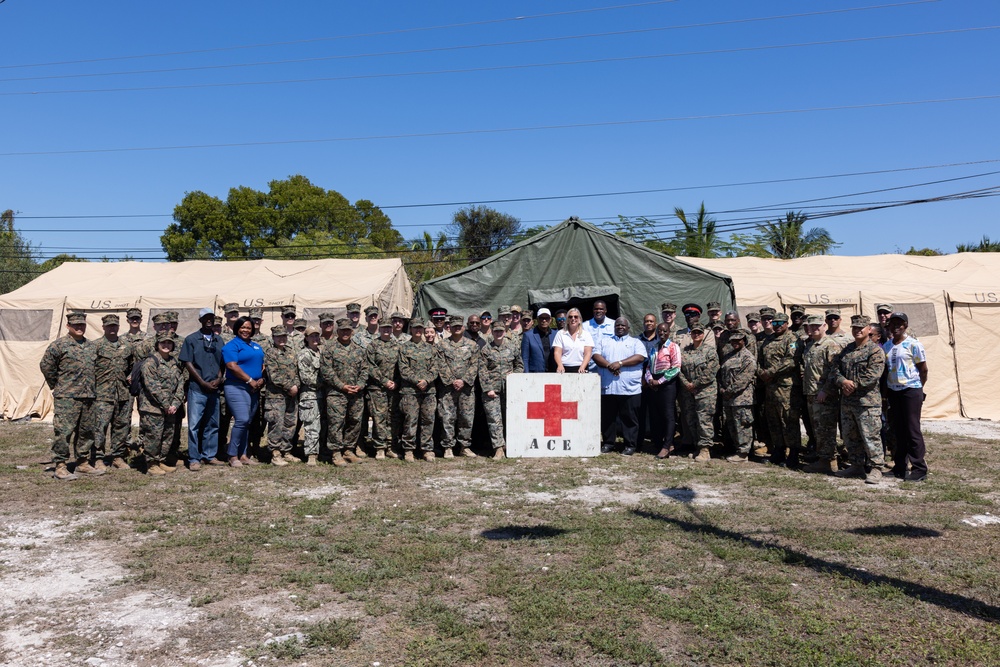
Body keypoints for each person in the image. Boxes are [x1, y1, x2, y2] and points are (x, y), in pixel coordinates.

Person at [822, 315, 886, 484]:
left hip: (867, 402)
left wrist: (853, 385)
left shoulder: (875, 351)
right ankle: (856, 465)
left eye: (861, 328)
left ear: (869, 330)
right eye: (855, 328)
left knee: (870, 436)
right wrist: (843, 381)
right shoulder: (847, 349)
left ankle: (876, 468)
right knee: (850, 436)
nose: (857, 331)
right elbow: (835, 369)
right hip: (848, 402)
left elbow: (873, 375)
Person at [40, 311, 100, 480]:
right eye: (76, 325)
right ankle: (60, 465)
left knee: (86, 432)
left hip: (88, 396)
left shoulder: (91, 346)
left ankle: (82, 463)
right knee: (64, 432)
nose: (79, 327)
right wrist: (57, 384)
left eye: (82, 325)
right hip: (67, 397)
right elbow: (46, 365)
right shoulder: (58, 345)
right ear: (68, 326)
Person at [882, 312, 929, 481]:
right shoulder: (887, 346)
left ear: (905, 326)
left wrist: (918, 388)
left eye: (899, 324)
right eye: (893, 324)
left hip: (911, 390)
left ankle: (919, 468)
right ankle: (900, 466)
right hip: (894, 391)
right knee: (898, 430)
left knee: (912, 429)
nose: (896, 327)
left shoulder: (913, 345)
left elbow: (923, 369)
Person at [593, 317, 647, 456]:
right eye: (617, 325)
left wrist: (620, 363)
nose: (620, 327)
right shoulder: (605, 341)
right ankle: (608, 443)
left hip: (629, 388)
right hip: (608, 387)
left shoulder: (635, 342)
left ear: (628, 328)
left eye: (623, 325)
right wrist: (609, 365)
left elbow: (640, 357)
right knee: (608, 418)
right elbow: (595, 355)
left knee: (629, 418)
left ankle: (630, 445)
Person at [799, 315, 846, 474]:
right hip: (811, 393)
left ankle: (829, 461)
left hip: (825, 395)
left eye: (817, 326)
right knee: (818, 429)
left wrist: (826, 390)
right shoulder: (810, 345)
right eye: (811, 326)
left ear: (824, 326)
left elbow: (835, 371)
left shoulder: (830, 345)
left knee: (826, 429)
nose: (814, 328)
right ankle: (823, 458)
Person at [180, 308, 225, 470]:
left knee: (213, 424)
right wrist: (202, 382)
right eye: (205, 318)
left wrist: (219, 379)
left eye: (211, 318)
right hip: (198, 389)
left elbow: (222, 362)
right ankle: (194, 458)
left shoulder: (218, 341)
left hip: (214, 389)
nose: (209, 320)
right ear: (200, 320)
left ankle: (209, 455)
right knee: (194, 425)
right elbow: (188, 362)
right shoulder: (191, 339)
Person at [320, 318, 368, 467]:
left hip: (356, 393)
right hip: (336, 393)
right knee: (336, 423)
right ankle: (335, 453)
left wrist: (359, 385)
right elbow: (326, 371)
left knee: (355, 421)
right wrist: (342, 386)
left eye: (348, 330)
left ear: (352, 331)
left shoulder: (359, 349)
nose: (345, 333)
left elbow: (365, 370)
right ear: (337, 331)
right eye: (342, 330)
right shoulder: (329, 348)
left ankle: (348, 449)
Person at [138, 332, 186, 476]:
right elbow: (153, 387)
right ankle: (151, 464)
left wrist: (175, 404)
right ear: (157, 345)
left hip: (170, 408)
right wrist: (166, 404)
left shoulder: (173, 362)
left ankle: (161, 461)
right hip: (153, 408)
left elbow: (180, 383)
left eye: (169, 343)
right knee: (154, 437)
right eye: (163, 343)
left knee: (167, 436)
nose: (166, 346)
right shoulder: (150, 362)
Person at [757, 313, 801, 466]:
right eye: (774, 323)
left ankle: (793, 453)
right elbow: (760, 360)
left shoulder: (792, 339)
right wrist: (761, 372)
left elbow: (791, 360)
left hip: (786, 387)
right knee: (773, 419)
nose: (777, 326)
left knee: (788, 420)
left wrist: (771, 371)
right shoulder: (767, 340)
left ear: (786, 323)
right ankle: (778, 450)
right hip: (770, 387)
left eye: (780, 323)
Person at [91, 314, 133, 472]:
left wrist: (130, 376)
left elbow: (132, 366)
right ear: (103, 327)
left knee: (121, 426)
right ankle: (98, 457)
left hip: (122, 394)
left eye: (115, 325)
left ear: (118, 326)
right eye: (109, 326)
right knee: (100, 427)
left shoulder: (126, 345)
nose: (112, 328)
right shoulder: (96, 346)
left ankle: (117, 456)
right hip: (102, 394)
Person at [222, 316, 266, 467]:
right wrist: (249, 380)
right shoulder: (232, 346)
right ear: (237, 328)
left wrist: (261, 379)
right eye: (243, 327)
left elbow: (262, 365)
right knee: (241, 419)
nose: (245, 330)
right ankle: (232, 455)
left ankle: (244, 454)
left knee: (247, 422)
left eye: (248, 327)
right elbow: (232, 366)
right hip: (236, 387)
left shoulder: (256, 346)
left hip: (254, 388)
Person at [437, 314, 480, 458]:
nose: (456, 328)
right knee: (447, 417)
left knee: (466, 417)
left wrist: (464, 380)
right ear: (450, 328)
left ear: (463, 327)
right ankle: (448, 447)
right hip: (448, 388)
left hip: (466, 388)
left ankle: (464, 446)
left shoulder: (472, 345)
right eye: (454, 326)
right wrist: (451, 380)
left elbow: (475, 365)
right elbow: (440, 364)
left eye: (459, 326)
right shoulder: (442, 344)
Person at [480, 320, 524, 459]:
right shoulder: (486, 350)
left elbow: (519, 365)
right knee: (494, 419)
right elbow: (482, 371)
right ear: (492, 332)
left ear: (504, 332)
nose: (498, 333)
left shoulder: (512, 347)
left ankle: (512, 446)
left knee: (510, 419)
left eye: (501, 331)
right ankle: (498, 448)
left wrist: (515, 376)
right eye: (496, 331)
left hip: (509, 389)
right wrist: (488, 389)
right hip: (492, 390)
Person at [398, 318, 439, 462]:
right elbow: (403, 369)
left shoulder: (431, 349)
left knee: (428, 420)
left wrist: (426, 380)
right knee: (410, 420)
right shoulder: (404, 348)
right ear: (411, 329)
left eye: (420, 328)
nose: (418, 331)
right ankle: (408, 449)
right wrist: (417, 381)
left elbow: (435, 368)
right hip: (410, 391)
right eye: (415, 328)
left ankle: (427, 449)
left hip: (428, 391)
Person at [678, 322, 720, 461]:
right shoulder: (685, 351)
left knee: (704, 420)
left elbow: (711, 371)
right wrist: (686, 384)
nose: (696, 335)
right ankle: (697, 446)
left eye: (699, 332)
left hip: (705, 392)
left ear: (703, 334)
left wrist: (694, 384)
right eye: (694, 332)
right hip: (688, 392)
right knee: (691, 419)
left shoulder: (710, 351)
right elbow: (678, 369)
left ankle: (705, 449)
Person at [264, 325, 301, 465]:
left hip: (292, 395)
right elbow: (274, 375)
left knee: (290, 424)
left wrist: (296, 385)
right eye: (278, 336)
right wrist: (289, 386)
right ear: (273, 338)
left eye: (284, 336)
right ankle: (275, 453)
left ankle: (286, 451)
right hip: (276, 396)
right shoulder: (270, 353)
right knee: (276, 424)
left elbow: (297, 371)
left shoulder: (291, 352)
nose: (281, 339)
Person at [365, 316, 402, 460]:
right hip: (378, 388)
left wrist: (396, 382)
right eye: (384, 328)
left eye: (389, 327)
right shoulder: (373, 346)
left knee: (392, 417)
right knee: (379, 417)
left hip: (394, 388)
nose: (386, 330)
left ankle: (390, 446)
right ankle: (379, 448)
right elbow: (370, 366)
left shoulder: (398, 346)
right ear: (379, 329)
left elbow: (402, 366)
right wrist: (384, 381)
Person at [644, 322, 681, 459]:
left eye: (665, 331)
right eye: (660, 331)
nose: (662, 333)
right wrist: (649, 380)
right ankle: (658, 443)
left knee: (668, 415)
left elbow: (676, 367)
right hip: (653, 383)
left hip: (667, 383)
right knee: (656, 415)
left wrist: (659, 381)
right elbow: (648, 366)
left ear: (669, 332)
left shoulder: (673, 347)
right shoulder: (654, 347)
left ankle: (667, 445)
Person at [719, 330, 756, 462]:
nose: (735, 343)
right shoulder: (728, 356)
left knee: (743, 425)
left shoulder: (747, 357)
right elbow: (721, 374)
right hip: (728, 399)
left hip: (742, 398)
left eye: (738, 340)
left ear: (744, 341)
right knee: (732, 425)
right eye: (733, 341)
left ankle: (744, 452)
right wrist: (722, 388)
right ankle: (737, 450)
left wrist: (727, 391)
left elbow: (743, 379)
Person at [297, 326, 324, 466]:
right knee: (311, 425)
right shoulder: (304, 355)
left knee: (323, 425)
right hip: (310, 395)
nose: (315, 338)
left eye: (316, 336)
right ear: (306, 338)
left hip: (323, 395)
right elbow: (306, 377)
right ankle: (311, 454)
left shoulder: (322, 353)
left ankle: (322, 451)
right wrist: (327, 382)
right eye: (311, 336)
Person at [553, 308, 594, 374]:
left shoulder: (586, 334)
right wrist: (560, 365)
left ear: (580, 320)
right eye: (570, 317)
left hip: (581, 368)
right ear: (567, 320)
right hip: (564, 368)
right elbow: (557, 352)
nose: (573, 318)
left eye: (576, 317)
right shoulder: (560, 334)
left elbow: (588, 353)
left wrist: (583, 367)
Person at [521, 308, 555, 372]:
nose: (544, 320)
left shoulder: (556, 334)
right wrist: (526, 376)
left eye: (546, 318)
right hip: (535, 374)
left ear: (550, 320)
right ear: (537, 319)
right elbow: (525, 358)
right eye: (541, 318)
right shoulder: (528, 335)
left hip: (553, 373)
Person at [583, 300, 614, 368]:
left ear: (605, 310)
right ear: (593, 310)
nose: (598, 311)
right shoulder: (585, 326)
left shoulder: (613, 325)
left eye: (601, 309)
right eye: (596, 309)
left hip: (609, 365)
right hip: (590, 365)